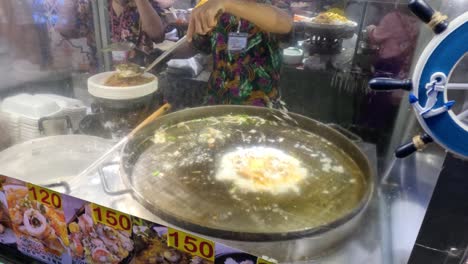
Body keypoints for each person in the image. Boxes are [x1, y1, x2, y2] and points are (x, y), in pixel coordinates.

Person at [187, 0, 293, 107]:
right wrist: (171, 52)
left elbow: (284, 23)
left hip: (262, 106)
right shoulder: (214, 6)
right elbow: (197, 44)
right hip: (216, 102)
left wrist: (226, 3)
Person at [56, 0, 167, 71]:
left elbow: (157, 35)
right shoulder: (94, 5)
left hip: (138, 76)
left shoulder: (147, 4)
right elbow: (65, 29)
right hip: (102, 77)